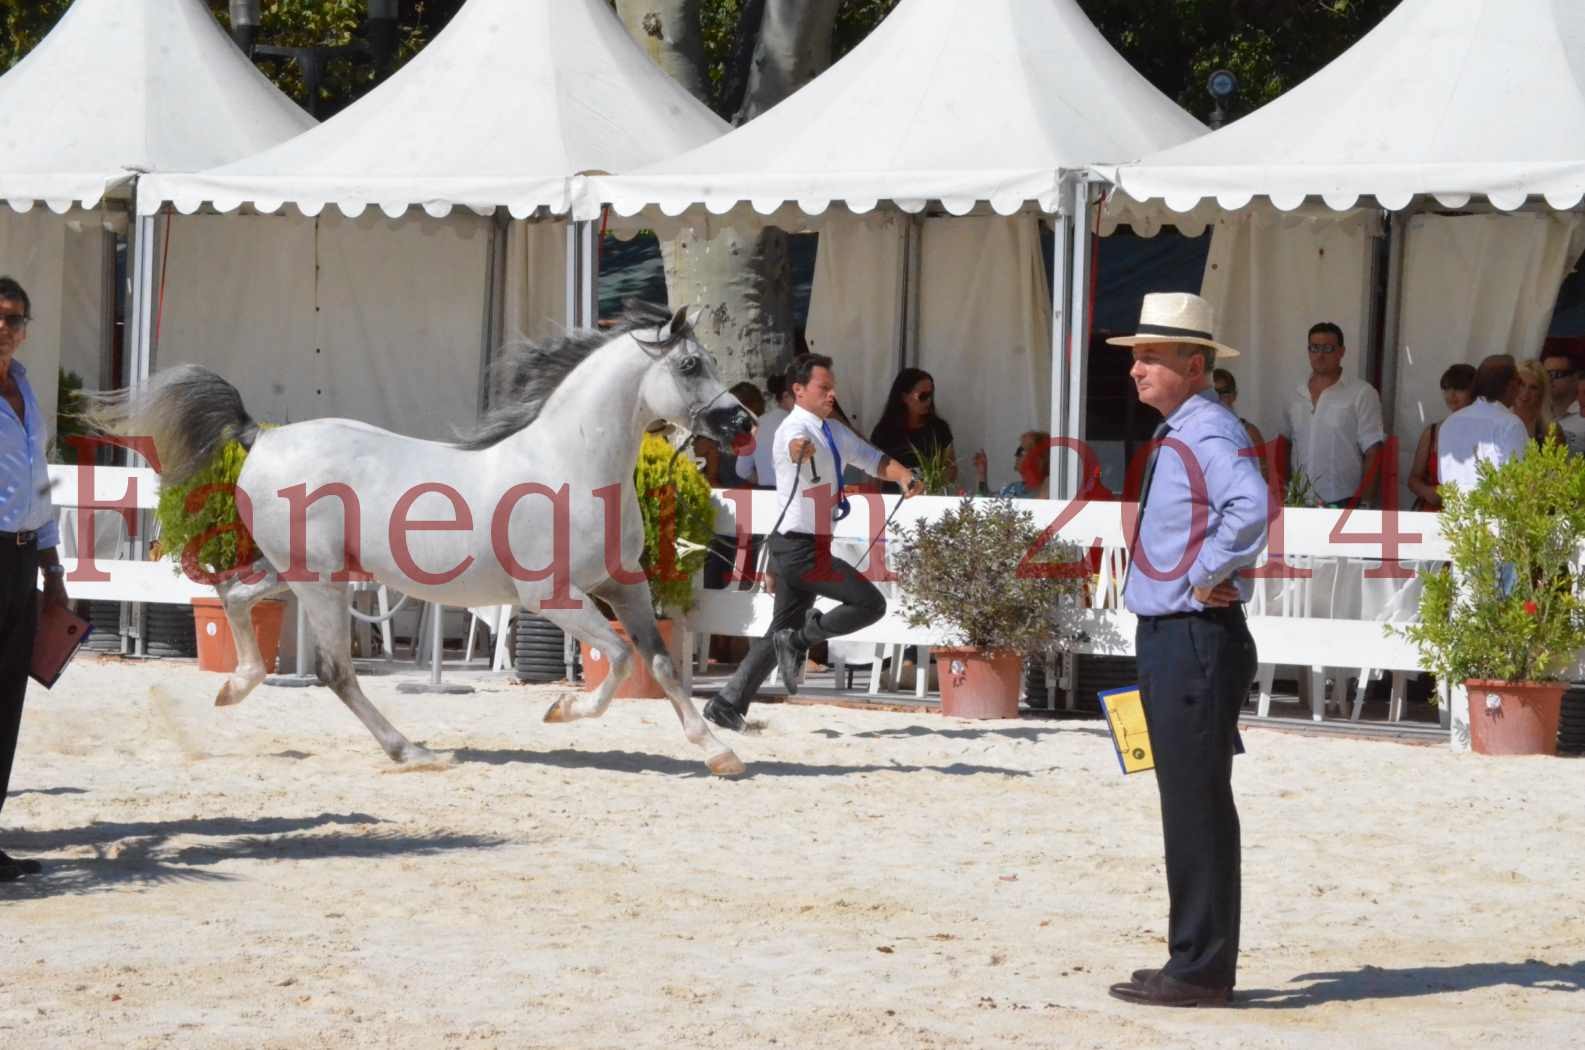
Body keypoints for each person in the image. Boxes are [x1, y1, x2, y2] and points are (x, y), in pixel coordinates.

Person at [1104, 292, 1267, 1008]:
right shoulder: (1192, 427)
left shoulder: (1204, 431)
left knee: (1195, 802)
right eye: (1134, 356)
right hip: (1178, 635)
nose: (1135, 369)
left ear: (1192, 365)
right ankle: (1191, 956)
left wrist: (1207, 575)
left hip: (1192, 637)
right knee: (1187, 798)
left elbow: (1251, 508)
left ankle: (1199, 968)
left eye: (1149, 356)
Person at [702, 355, 922, 731]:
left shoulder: (832, 430)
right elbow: (792, 448)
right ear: (799, 391)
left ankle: (727, 703)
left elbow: (870, 458)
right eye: (824, 387)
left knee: (777, 633)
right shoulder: (793, 429)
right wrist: (798, 451)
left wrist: (902, 474)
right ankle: (801, 640)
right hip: (800, 550)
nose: (831, 394)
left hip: (801, 545)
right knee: (869, 604)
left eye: (831, 386)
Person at [0, 276, 69, 882]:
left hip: (22, 560)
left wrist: (53, 567)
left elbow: (41, 480)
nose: (5, 327)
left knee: (6, 702)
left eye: (16, 318)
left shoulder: (24, 389)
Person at [1277, 322, 1386, 507]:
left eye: (1328, 348)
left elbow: (1373, 451)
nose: (1320, 355)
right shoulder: (1294, 393)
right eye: (1314, 348)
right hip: (1298, 500)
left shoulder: (1362, 393)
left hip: (1343, 500)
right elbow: (1284, 444)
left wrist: (1365, 501)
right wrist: (1282, 490)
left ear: (1341, 352)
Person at [1437, 354, 1529, 495]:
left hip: (1454, 513)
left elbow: (1443, 480)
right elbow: (1518, 482)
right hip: (1495, 514)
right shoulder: (1510, 424)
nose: (1521, 387)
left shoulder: (1449, 423)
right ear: (1511, 385)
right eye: (1520, 381)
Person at [868, 368, 956, 485]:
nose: (928, 401)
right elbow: (874, 474)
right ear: (904, 397)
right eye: (923, 396)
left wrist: (930, 483)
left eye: (931, 395)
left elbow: (951, 469)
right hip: (893, 500)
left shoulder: (939, 429)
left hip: (930, 498)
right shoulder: (883, 432)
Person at [1407, 364, 1475, 511]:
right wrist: (1428, 492)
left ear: (1473, 392)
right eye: (1446, 389)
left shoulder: (1486, 433)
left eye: (1459, 388)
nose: (1451, 395)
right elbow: (1413, 479)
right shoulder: (1432, 432)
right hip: (1431, 515)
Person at [1211, 368, 1268, 478]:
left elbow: (1263, 476)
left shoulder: (1250, 433)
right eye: (1213, 394)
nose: (1218, 399)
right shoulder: (1197, 433)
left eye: (1224, 393)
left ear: (1234, 395)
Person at [736, 375, 791, 488]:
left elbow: (742, 470)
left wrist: (762, 479)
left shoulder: (756, 427)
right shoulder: (805, 423)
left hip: (768, 494)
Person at [1513, 359, 1558, 446]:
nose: (1525, 392)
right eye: (1521, 384)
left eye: (1533, 387)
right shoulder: (1496, 417)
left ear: (1541, 393)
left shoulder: (1550, 430)